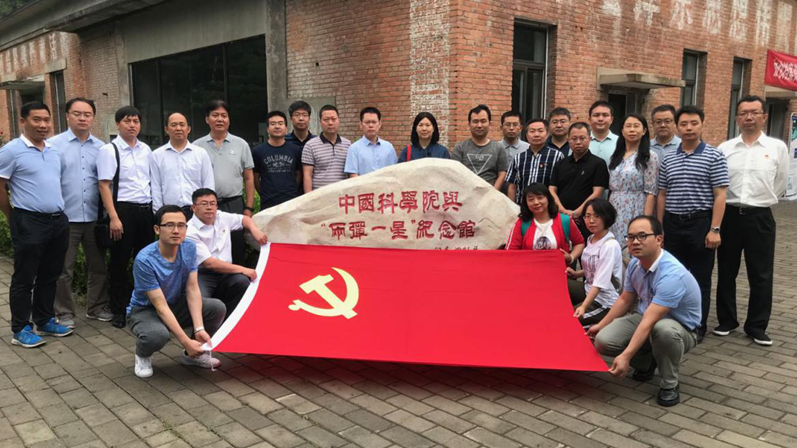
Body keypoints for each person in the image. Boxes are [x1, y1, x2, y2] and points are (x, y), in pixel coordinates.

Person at [589, 216, 701, 407]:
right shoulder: (635, 264)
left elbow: (649, 321)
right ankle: (647, 362)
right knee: (603, 340)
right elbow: (625, 300)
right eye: (631, 237)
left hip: (679, 328)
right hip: (645, 317)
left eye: (642, 236)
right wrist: (600, 325)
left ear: (659, 239)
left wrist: (626, 356)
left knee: (663, 330)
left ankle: (669, 384)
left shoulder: (672, 274)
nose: (635, 242)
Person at [716, 95, 789, 346]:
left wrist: (761, 200)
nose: (749, 117)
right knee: (726, 271)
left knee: (761, 274)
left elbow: (780, 182)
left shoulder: (777, 148)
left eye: (754, 112)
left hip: (760, 216)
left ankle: (757, 326)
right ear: (737, 118)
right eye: (743, 113)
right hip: (729, 215)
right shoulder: (725, 148)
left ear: (764, 117)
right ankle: (727, 320)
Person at [0, 101, 73, 347]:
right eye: (36, 119)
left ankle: (44, 320)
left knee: (50, 275)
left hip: (57, 221)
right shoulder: (11, 151)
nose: (43, 125)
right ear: (23, 121)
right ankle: (20, 328)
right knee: (24, 277)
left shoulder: (53, 151)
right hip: (29, 221)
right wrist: (12, 216)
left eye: (46, 120)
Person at [657, 105, 729, 343]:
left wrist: (715, 229)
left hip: (700, 223)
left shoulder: (714, 155)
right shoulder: (669, 158)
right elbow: (662, 194)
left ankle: (698, 325)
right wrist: (660, 227)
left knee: (700, 278)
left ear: (702, 125)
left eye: (694, 123)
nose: (689, 128)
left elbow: (720, 195)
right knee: (671, 276)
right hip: (672, 223)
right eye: (684, 124)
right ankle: (673, 320)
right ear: (677, 127)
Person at [128, 205, 226, 378]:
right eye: (169, 225)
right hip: (146, 309)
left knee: (216, 308)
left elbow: (192, 288)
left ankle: (193, 355)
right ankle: (142, 355)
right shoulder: (145, 260)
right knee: (157, 335)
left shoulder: (189, 248)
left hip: (175, 303)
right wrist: (185, 341)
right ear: (157, 229)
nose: (176, 231)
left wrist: (199, 328)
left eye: (181, 225)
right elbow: (160, 306)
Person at [50, 98, 111, 328]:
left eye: (87, 114)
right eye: (77, 114)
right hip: (66, 218)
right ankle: (64, 312)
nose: (83, 118)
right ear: (67, 116)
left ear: (93, 117)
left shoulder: (102, 148)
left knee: (98, 266)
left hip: (94, 219)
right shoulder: (53, 146)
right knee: (63, 269)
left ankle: (96, 307)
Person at [98, 106, 155, 329]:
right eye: (127, 121)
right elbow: (104, 185)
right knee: (119, 262)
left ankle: (142, 306)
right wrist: (113, 217)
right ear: (118, 124)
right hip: (123, 211)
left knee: (145, 261)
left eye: (136, 121)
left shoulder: (146, 149)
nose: (132, 125)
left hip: (146, 211)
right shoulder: (109, 150)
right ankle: (119, 309)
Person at [187, 188, 268, 317]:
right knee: (203, 303)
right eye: (204, 204)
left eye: (212, 203)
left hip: (226, 272)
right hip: (203, 274)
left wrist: (254, 230)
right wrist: (243, 269)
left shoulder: (221, 217)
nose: (209, 207)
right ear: (193, 207)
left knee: (242, 282)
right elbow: (210, 263)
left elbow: (244, 219)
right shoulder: (190, 231)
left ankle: (228, 321)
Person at [193, 100, 255, 266]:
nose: (220, 119)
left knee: (236, 246)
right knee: (207, 247)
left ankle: (239, 279)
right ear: (207, 119)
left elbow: (249, 178)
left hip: (233, 203)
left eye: (224, 115)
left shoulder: (241, 144)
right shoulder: (197, 146)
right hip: (206, 205)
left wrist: (248, 208)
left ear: (229, 119)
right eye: (215, 115)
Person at [608, 114, 659, 259]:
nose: (632, 130)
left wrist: (646, 221)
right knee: (614, 249)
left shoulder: (649, 156)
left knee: (633, 250)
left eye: (636, 126)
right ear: (622, 130)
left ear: (644, 131)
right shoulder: (615, 156)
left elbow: (651, 192)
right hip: (614, 207)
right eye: (628, 126)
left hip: (636, 206)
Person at [566, 198, 622, 326]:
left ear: (607, 217)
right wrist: (577, 274)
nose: (591, 220)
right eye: (587, 216)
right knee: (561, 284)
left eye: (597, 216)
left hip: (604, 301)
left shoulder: (609, 246)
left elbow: (599, 282)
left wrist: (583, 307)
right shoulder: (591, 238)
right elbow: (594, 268)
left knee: (567, 320)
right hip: (588, 290)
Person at [549, 122, 609, 241]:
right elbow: (552, 189)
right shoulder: (561, 163)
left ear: (590, 139)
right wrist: (563, 211)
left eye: (582, 138)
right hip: (561, 217)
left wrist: (577, 212)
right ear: (568, 140)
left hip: (587, 218)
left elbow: (598, 192)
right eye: (574, 138)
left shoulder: (598, 163)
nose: (578, 142)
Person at [151, 112, 215, 219]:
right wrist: (159, 214)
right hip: (170, 213)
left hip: (197, 211)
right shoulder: (157, 155)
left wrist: (207, 209)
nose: (178, 128)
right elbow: (156, 187)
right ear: (166, 129)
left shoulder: (200, 154)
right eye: (174, 125)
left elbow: (208, 184)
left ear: (188, 129)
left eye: (182, 124)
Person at [505, 183, 585, 266]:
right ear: (526, 203)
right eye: (531, 199)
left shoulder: (565, 220)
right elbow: (510, 252)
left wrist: (571, 258)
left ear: (548, 198)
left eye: (540, 198)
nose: (536, 202)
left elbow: (579, 243)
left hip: (558, 271)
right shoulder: (521, 223)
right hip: (528, 271)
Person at [506, 119, 564, 204]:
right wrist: (512, 207)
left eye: (540, 131)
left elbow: (561, 185)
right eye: (532, 131)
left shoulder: (557, 156)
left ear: (547, 134)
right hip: (523, 206)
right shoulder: (518, 158)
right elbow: (512, 186)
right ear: (526, 135)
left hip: (548, 206)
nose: (536, 135)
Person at [252, 111, 302, 209]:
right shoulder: (258, 151)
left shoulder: (295, 150)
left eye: (280, 123)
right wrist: (263, 193)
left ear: (286, 128)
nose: (277, 127)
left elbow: (299, 174)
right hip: (268, 202)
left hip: (291, 201)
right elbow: (255, 177)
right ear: (267, 129)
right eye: (273, 124)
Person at [451, 105, 508, 189]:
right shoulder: (460, 148)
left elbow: (502, 174)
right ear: (469, 124)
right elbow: (455, 174)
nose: (479, 125)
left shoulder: (499, 148)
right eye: (475, 121)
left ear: (489, 123)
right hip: (465, 193)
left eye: (483, 121)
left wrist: (492, 192)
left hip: (491, 194)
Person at [301, 105, 351, 192]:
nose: (330, 123)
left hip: (342, 195)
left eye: (333, 119)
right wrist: (309, 197)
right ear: (320, 122)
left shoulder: (348, 144)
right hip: (320, 196)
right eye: (326, 120)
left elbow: (351, 174)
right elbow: (307, 176)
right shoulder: (310, 145)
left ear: (339, 120)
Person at [344, 107, 397, 177]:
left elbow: (394, 172)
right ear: (361, 125)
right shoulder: (354, 148)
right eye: (367, 122)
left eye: (374, 122)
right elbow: (353, 175)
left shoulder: (388, 147)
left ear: (379, 124)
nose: (371, 125)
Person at [588, 101, 618, 165]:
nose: (600, 119)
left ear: (611, 120)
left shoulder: (620, 142)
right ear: (589, 119)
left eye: (605, 115)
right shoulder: (580, 141)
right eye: (596, 115)